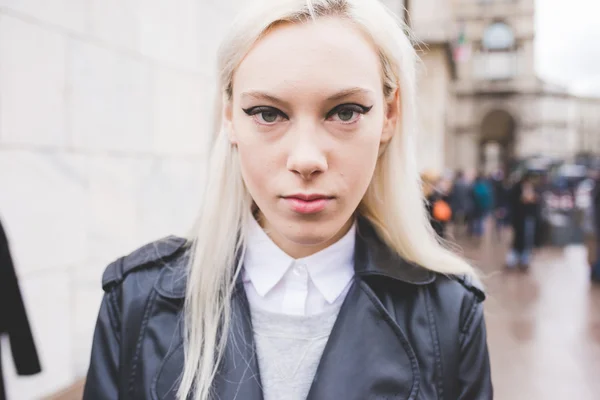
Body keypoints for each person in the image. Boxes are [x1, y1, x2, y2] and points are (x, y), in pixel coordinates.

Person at [83, 1, 493, 399]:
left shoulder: (449, 315)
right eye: (268, 113)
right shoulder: (135, 300)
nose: (306, 159)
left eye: (345, 112)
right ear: (230, 117)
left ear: (389, 114)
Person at [506, 173, 540, 270]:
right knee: (518, 241)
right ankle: (514, 260)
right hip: (520, 219)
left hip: (528, 219)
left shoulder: (532, 189)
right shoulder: (518, 189)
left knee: (527, 240)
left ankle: (523, 260)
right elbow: (514, 202)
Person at [449, 170, 473, 238]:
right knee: (462, 220)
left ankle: (456, 232)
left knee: (456, 220)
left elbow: (452, 194)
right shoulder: (467, 184)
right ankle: (460, 233)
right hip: (464, 204)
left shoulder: (455, 184)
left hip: (456, 204)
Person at [470, 174, 494, 238]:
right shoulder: (486, 187)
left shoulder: (475, 186)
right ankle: (480, 233)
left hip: (476, 206)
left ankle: (476, 232)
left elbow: (473, 196)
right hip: (483, 207)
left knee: (476, 220)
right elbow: (489, 197)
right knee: (481, 220)